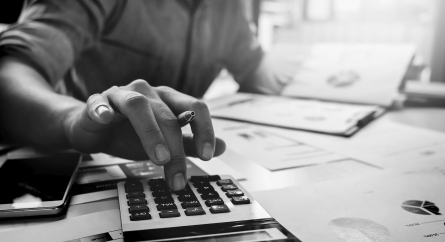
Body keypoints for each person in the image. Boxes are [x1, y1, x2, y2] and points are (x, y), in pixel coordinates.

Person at [0, 0, 288, 191]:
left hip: (158, 173)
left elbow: (257, 70)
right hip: (68, 168)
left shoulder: (226, 8)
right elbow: (9, 71)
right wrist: (72, 119)